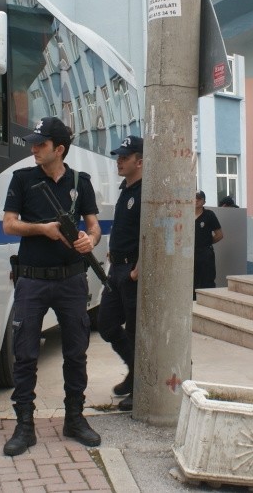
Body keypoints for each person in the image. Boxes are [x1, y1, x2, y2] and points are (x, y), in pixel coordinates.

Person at [1, 116, 102, 456]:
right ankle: (24, 426)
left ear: (58, 149)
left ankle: (75, 418)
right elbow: (9, 225)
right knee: (25, 353)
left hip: (72, 280)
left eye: (40, 144)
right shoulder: (23, 179)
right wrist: (41, 229)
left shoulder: (80, 182)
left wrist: (91, 240)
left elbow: (93, 225)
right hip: (32, 280)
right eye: (33, 143)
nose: (33, 148)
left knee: (76, 352)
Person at [99, 135, 143, 413]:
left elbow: (150, 234)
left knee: (137, 331)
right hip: (116, 269)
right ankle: (134, 372)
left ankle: (140, 386)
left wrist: (137, 271)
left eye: (124, 157)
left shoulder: (145, 192)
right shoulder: (125, 190)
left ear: (140, 161)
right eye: (118, 156)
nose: (119, 161)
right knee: (106, 325)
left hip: (131, 270)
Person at [193, 191, 223, 299]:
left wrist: (206, 242)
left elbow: (219, 235)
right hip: (190, 254)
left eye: (199, 199)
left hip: (205, 255)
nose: (196, 200)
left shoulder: (209, 215)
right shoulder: (186, 215)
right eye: (194, 198)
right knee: (192, 281)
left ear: (204, 201)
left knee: (207, 281)